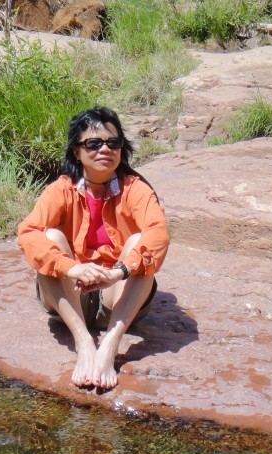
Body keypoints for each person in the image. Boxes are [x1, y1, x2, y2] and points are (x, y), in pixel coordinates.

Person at [17, 106, 169, 390]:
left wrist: (118, 272)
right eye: (93, 143)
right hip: (70, 296)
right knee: (49, 237)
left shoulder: (136, 189)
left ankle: (110, 344)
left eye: (113, 143)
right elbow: (28, 233)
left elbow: (158, 233)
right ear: (77, 151)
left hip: (117, 298)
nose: (104, 150)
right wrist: (71, 267)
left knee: (142, 247)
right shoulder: (61, 190)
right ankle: (84, 343)